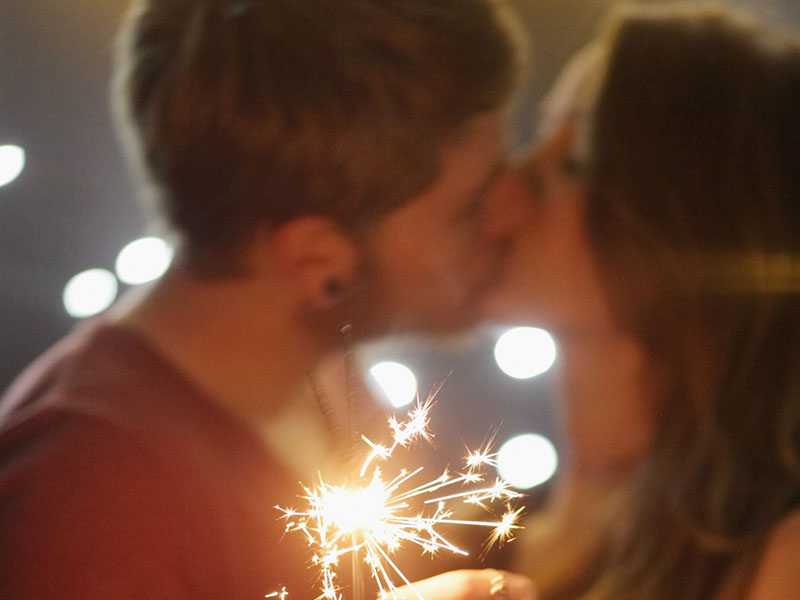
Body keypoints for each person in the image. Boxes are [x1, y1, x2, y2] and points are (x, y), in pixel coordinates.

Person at [0, 1, 536, 599]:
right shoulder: (89, 501)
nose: (516, 210)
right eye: (468, 207)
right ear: (315, 260)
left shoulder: (321, 370)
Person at [484, 3, 800, 599]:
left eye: (573, 164)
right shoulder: (528, 530)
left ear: (689, 226)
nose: (508, 189)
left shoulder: (779, 560)